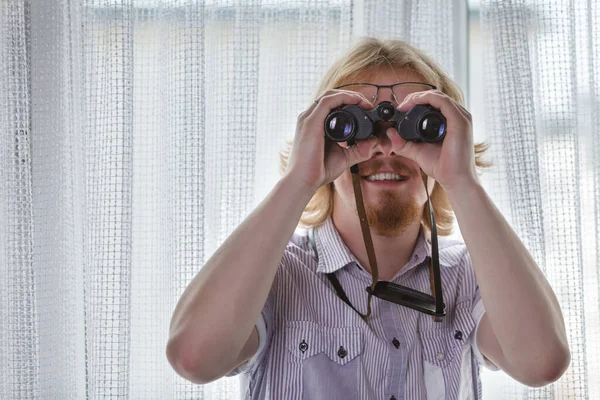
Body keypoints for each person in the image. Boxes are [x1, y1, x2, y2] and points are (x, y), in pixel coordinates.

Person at [166, 37, 570, 399]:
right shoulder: (276, 273)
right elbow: (193, 357)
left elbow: (541, 363)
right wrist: (299, 180)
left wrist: (463, 182)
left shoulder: (469, 276)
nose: (386, 149)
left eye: (418, 128)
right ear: (321, 137)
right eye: (357, 127)